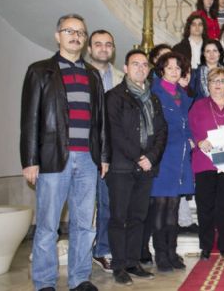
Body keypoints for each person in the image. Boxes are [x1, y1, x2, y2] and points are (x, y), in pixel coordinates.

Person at [21, 14, 108, 291]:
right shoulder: (39, 71)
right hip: (53, 158)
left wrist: (103, 156)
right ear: (58, 36)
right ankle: (44, 282)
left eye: (80, 32)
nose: (76, 36)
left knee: (84, 225)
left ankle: (80, 279)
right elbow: (29, 119)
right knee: (48, 225)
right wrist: (30, 160)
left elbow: (101, 120)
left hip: (88, 160)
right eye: (69, 31)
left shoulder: (92, 74)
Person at [106, 49, 167, 285]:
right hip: (122, 167)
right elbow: (115, 133)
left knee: (138, 217)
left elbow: (162, 131)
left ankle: (133, 262)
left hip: (146, 167)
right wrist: (140, 156)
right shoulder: (114, 96)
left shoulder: (153, 98)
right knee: (119, 218)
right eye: (135, 64)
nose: (141, 68)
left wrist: (151, 157)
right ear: (125, 68)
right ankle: (119, 266)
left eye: (144, 65)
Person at [188, 67, 224, 260]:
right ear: (208, 84)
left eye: (222, 81)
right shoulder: (198, 106)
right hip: (205, 162)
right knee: (205, 206)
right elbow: (189, 131)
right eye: (214, 81)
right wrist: (198, 142)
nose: (218, 85)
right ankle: (205, 246)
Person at [149, 52, 194, 272]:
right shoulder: (154, 93)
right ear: (161, 71)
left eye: (178, 67)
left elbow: (188, 123)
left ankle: (171, 251)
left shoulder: (182, 95)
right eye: (170, 67)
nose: (175, 71)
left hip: (181, 156)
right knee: (161, 205)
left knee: (174, 206)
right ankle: (161, 254)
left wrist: (192, 139)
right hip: (162, 155)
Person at [86, 29, 124, 273]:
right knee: (82, 206)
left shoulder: (121, 78)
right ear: (89, 49)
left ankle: (102, 250)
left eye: (108, 44)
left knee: (107, 203)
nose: (103, 48)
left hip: (111, 152)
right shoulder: (80, 74)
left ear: (113, 49)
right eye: (98, 44)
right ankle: (82, 251)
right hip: (83, 149)